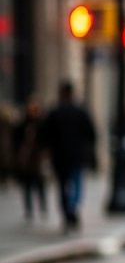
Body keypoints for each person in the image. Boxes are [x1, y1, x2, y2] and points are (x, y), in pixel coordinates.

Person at [43, 81, 96, 231]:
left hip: (59, 157)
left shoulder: (54, 112)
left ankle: (67, 210)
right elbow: (91, 133)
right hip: (76, 156)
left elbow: (45, 134)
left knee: (62, 185)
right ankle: (73, 207)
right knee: (77, 183)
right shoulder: (80, 112)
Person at [13, 98, 47, 220]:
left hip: (37, 158)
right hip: (26, 159)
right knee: (26, 185)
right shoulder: (22, 124)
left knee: (40, 184)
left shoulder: (41, 124)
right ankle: (29, 208)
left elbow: (45, 140)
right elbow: (16, 140)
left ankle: (43, 206)